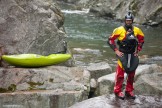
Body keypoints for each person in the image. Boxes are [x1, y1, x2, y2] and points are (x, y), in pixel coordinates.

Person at [108, 12, 144, 100]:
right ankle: (117, 91)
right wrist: (116, 50)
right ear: (125, 21)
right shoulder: (119, 30)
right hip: (122, 54)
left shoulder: (137, 30)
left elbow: (141, 40)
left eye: (130, 21)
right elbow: (110, 40)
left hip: (132, 54)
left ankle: (129, 91)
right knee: (120, 75)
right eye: (127, 20)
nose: (128, 22)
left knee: (131, 74)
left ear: (132, 21)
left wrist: (137, 50)